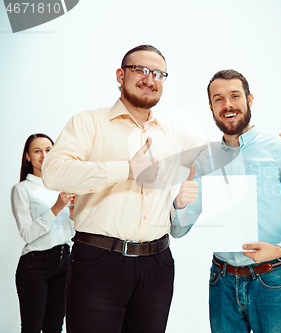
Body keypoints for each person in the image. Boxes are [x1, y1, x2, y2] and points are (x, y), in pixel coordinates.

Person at [42, 45, 207, 333]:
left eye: (158, 73)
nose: (149, 79)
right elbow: (53, 173)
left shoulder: (177, 132)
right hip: (98, 263)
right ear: (120, 75)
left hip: (157, 265)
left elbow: (224, 157)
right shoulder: (89, 122)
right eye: (140, 70)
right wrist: (127, 170)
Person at [171, 69, 281, 333]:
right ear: (210, 107)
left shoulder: (280, 150)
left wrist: (280, 250)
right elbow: (179, 230)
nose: (227, 104)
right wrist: (179, 205)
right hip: (221, 283)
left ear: (249, 99)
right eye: (218, 99)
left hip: (272, 281)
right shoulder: (204, 158)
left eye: (234, 95)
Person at [11, 133, 75, 333]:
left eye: (48, 150)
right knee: (32, 327)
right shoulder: (22, 189)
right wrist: (57, 207)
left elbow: (71, 232)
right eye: (37, 151)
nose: (44, 155)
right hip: (35, 265)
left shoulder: (63, 187)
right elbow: (27, 233)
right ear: (28, 156)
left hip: (65, 262)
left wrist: (73, 213)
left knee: (55, 327)